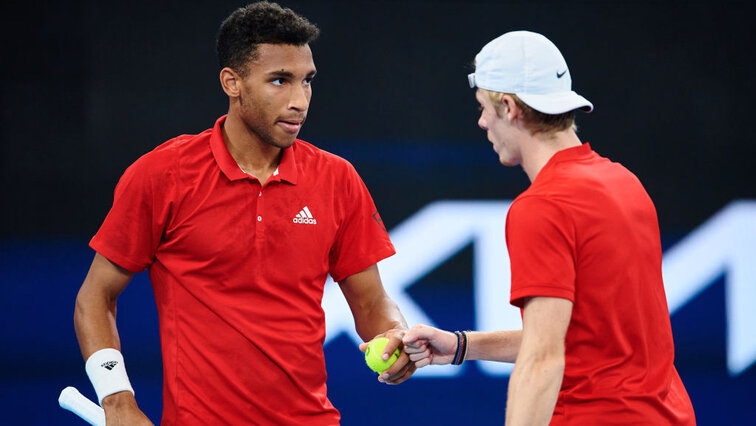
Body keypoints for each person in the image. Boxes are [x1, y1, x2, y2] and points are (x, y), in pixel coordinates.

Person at [73, 2, 416, 425]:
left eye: (307, 81)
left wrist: (394, 334)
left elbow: (372, 302)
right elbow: (95, 298)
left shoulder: (337, 178)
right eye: (280, 81)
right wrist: (117, 401)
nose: (299, 101)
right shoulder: (163, 174)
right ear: (232, 83)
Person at [403, 31, 696, 425]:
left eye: (483, 107)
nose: (481, 122)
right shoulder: (625, 183)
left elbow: (543, 358)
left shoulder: (542, 206)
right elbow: (582, 340)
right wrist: (460, 346)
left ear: (508, 107)